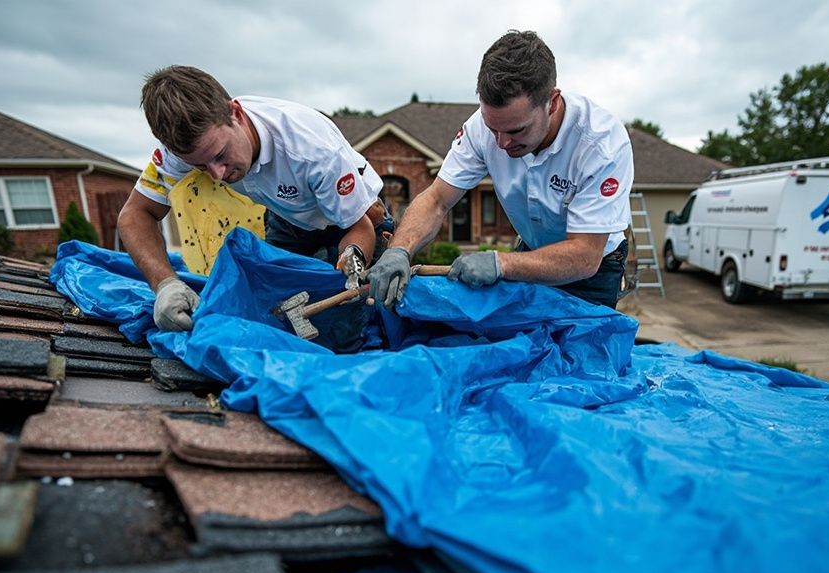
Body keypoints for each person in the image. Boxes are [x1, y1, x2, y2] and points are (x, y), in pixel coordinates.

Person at [117, 65, 392, 350]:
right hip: (289, 214)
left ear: (235, 113)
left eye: (221, 155)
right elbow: (135, 214)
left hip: (355, 219)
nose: (217, 174)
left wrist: (353, 261)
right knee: (271, 309)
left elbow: (359, 226)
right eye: (200, 166)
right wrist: (165, 285)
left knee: (340, 329)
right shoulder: (185, 147)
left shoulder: (312, 150)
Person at [368, 30, 634, 311]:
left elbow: (585, 254)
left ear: (552, 103)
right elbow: (436, 200)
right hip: (533, 250)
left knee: (581, 351)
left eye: (517, 130)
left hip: (594, 267)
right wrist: (399, 250)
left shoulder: (601, 144)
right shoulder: (479, 129)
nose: (502, 143)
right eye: (492, 127)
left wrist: (502, 262)